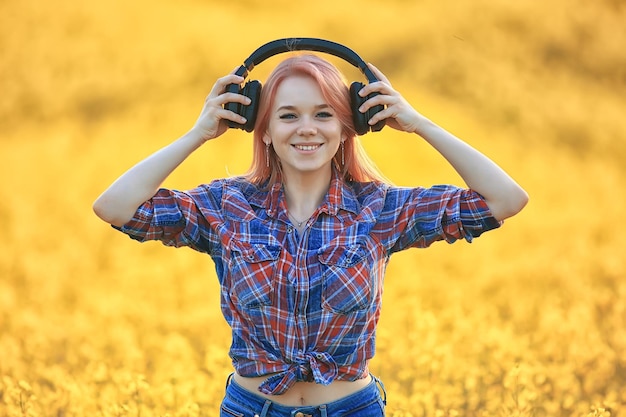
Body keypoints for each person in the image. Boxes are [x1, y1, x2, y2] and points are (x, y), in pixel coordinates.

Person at [93, 51, 528, 416]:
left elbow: (504, 200)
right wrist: (198, 133)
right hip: (251, 408)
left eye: (324, 114)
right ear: (261, 131)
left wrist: (418, 124)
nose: (307, 128)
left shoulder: (379, 209)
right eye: (288, 115)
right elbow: (115, 208)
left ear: (346, 128)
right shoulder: (227, 206)